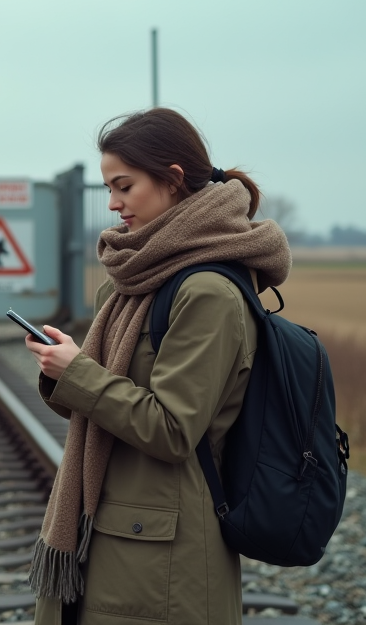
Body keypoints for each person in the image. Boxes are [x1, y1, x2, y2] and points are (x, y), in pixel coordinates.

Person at [24, 108, 291, 625]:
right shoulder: (142, 279)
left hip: (164, 559)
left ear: (171, 180)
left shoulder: (207, 292)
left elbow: (171, 429)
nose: (113, 203)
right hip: (126, 536)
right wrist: (67, 368)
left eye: (124, 185)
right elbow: (115, 402)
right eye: (108, 187)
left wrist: (78, 373)